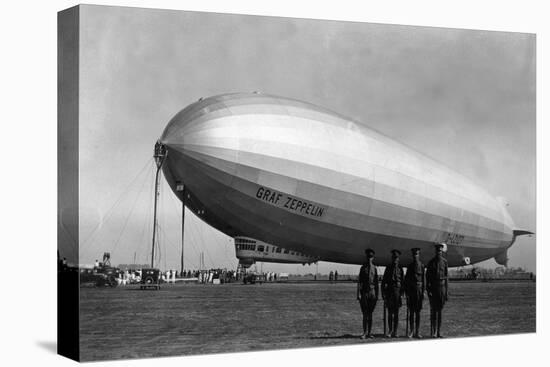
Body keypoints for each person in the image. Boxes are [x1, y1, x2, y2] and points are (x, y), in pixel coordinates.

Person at [426, 243, 448, 338]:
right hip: (434, 288)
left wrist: (446, 292)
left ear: (442, 251)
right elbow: (427, 278)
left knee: (440, 312)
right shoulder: (431, 262)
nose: (439, 252)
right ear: (435, 251)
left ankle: (439, 331)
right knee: (433, 311)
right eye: (437, 251)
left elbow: (446, 278)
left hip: (442, 288)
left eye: (440, 251)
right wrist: (428, 290)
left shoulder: (445, 262)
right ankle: (434, 331)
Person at [382, 249, 404, 338]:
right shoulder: (388, 268)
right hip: (390, 292)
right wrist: (383, 294)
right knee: (390, 313)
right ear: (392, 258)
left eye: (396, 258)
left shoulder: (400, 269)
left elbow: (403, 283)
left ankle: (395, 331)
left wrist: (402, 294)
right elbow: (383, 282)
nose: (395, 260)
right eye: (394, 258)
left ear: (398, 259)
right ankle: (390, 331)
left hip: (398, 293)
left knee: (396, 313)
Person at [356, 249, 378, 339]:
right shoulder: (363, 268)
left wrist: (377, 294)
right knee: (365, 314)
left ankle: (370, 332)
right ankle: (364, 332)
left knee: (370, 313)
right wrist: (358, 294)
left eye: (371, 257)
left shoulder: (374, 269)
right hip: (364, 292)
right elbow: (359, 282)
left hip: (372, 292)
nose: (369, 258)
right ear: (366, 257)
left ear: (373, 258)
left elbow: (376, 283)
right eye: (368, 257)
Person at [404, 248, 425, 338]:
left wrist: (423, 291)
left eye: (416, 254)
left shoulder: (422, 266)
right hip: (412, 291)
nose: (415, 256)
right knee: (411, 312)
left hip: (419, 291)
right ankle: (411, 331)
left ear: (419, 255)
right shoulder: (410, 266)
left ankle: (417, 331)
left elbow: (424, 280)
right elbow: (407, 280)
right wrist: (407, 293)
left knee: (418, 312)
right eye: (414, 254)